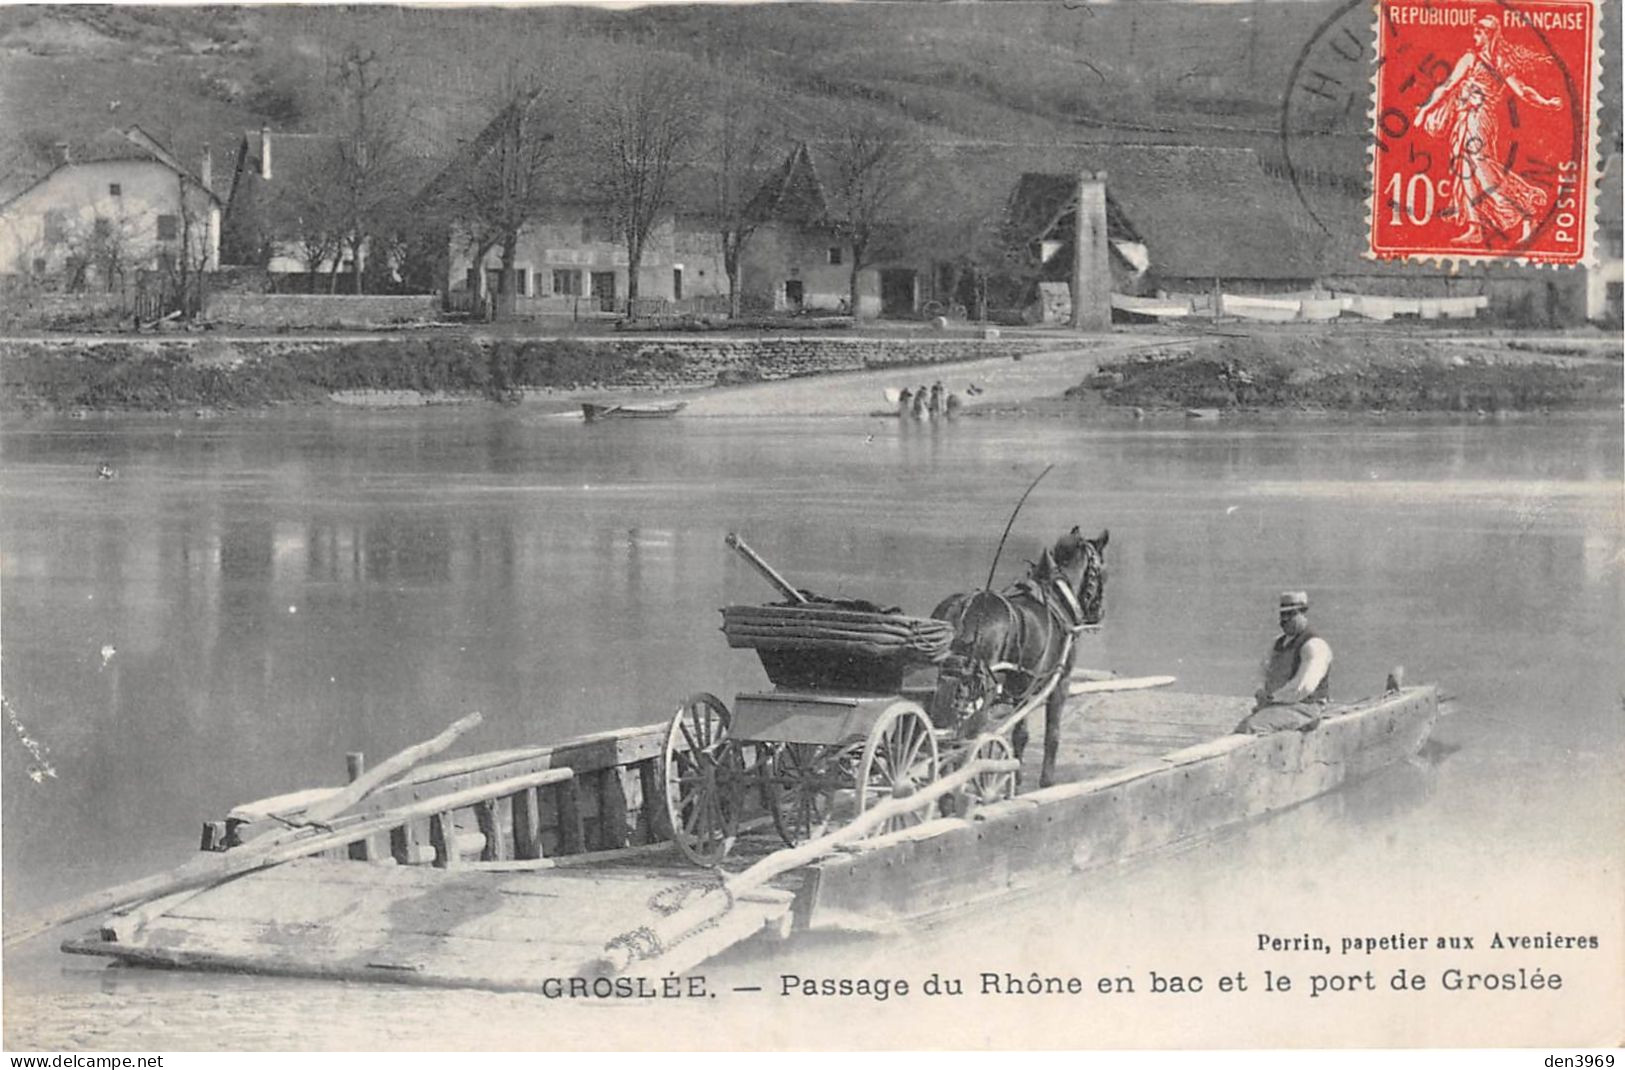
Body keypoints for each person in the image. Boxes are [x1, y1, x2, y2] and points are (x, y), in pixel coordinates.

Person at [1412, 15, 1560, 246]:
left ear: (1490, 35)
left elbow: (1522, 90)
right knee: (1465, 171)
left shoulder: (1497, 62)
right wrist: (1425, 109)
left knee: (1481, 169)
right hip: (1464, 119)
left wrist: (1546, 102)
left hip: (1479, 120)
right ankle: (1475, 227)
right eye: (1475, 32)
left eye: (1479, 33)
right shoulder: (1471, 57)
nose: (1475, 37)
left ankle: (1526, 212)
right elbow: (1448, 85)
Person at [1235, 591, 1332, 734]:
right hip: (1277, 706)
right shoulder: (1277, 643)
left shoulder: (1314, 645)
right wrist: (1261, 691)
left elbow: (1304, 687)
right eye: (1282, 615)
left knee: (1252, 727)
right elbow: (1263, 671)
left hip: (1305, 708)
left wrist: (1273, 699)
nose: (1285, 620)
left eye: (1291, 614)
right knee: (1243, 727)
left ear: (1302, 613)